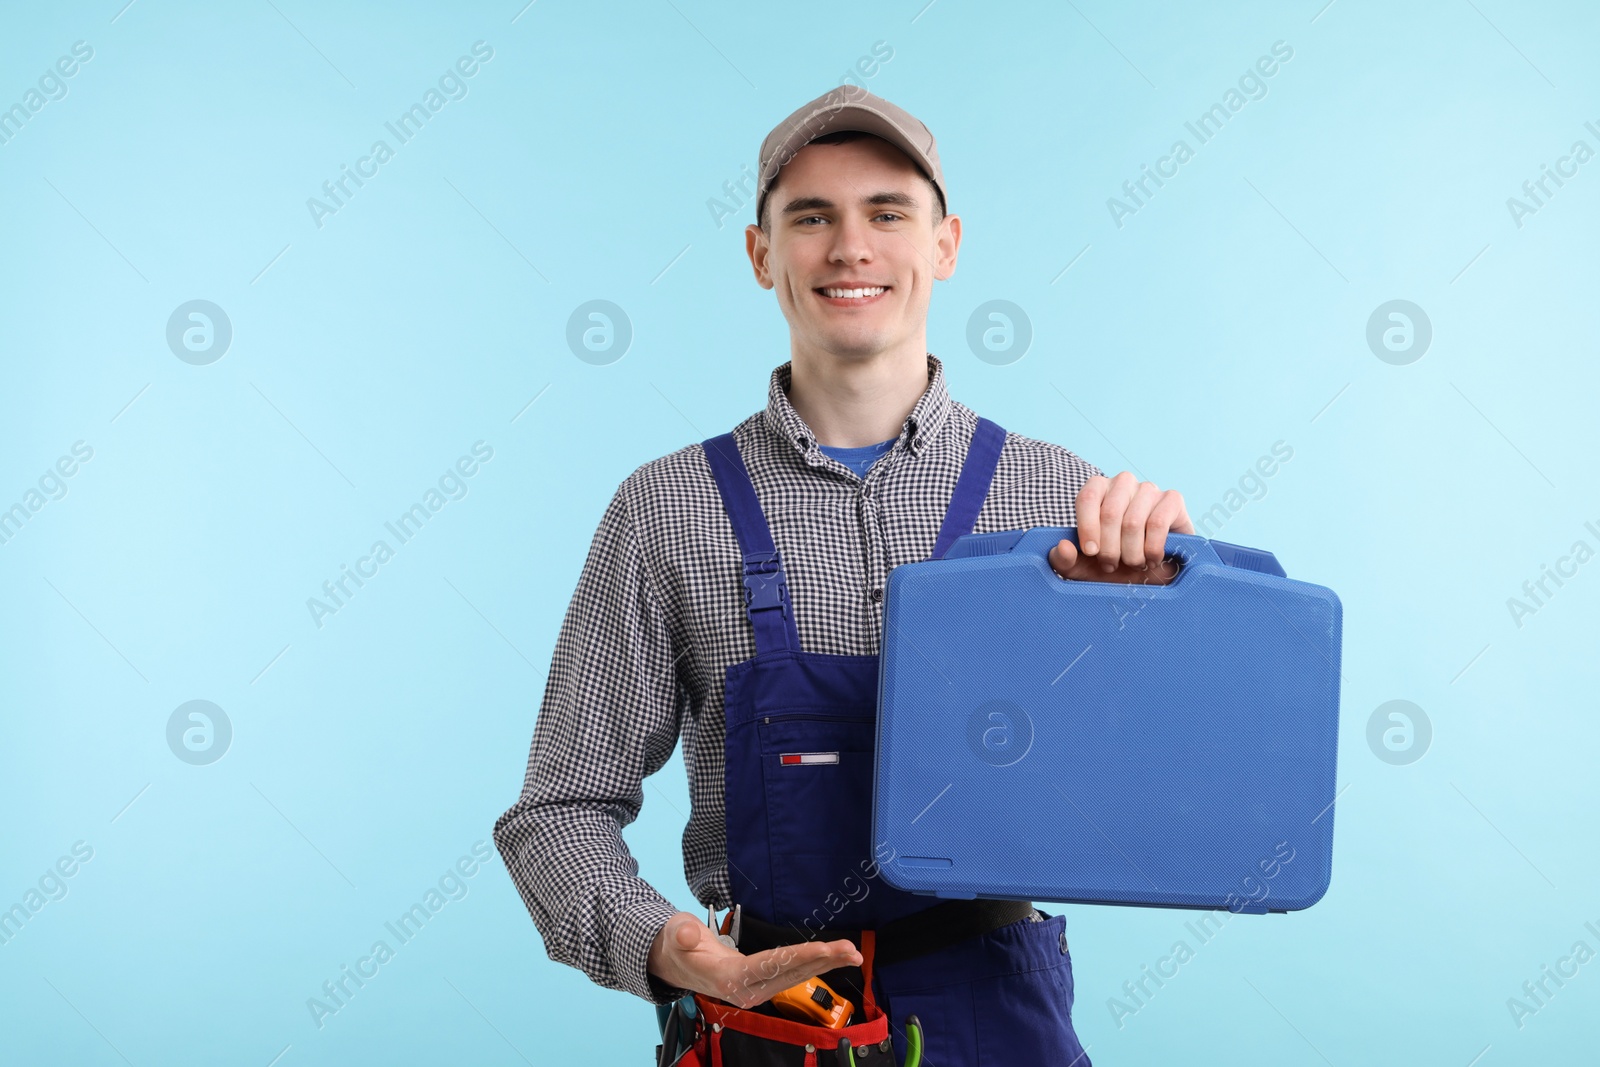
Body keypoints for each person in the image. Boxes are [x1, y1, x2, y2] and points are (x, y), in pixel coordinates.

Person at [492, 86, 1193, 1065]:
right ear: (759, 253)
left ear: (945, 245)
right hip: (769, 1009)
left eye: (887, 213)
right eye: (810, 217)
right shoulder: (666, 508)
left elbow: (1147, 791)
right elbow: (557, 813)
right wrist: (674, 948)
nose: (849, 248)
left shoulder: (1061, 498)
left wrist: (1158, 620)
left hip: (997, 1008)